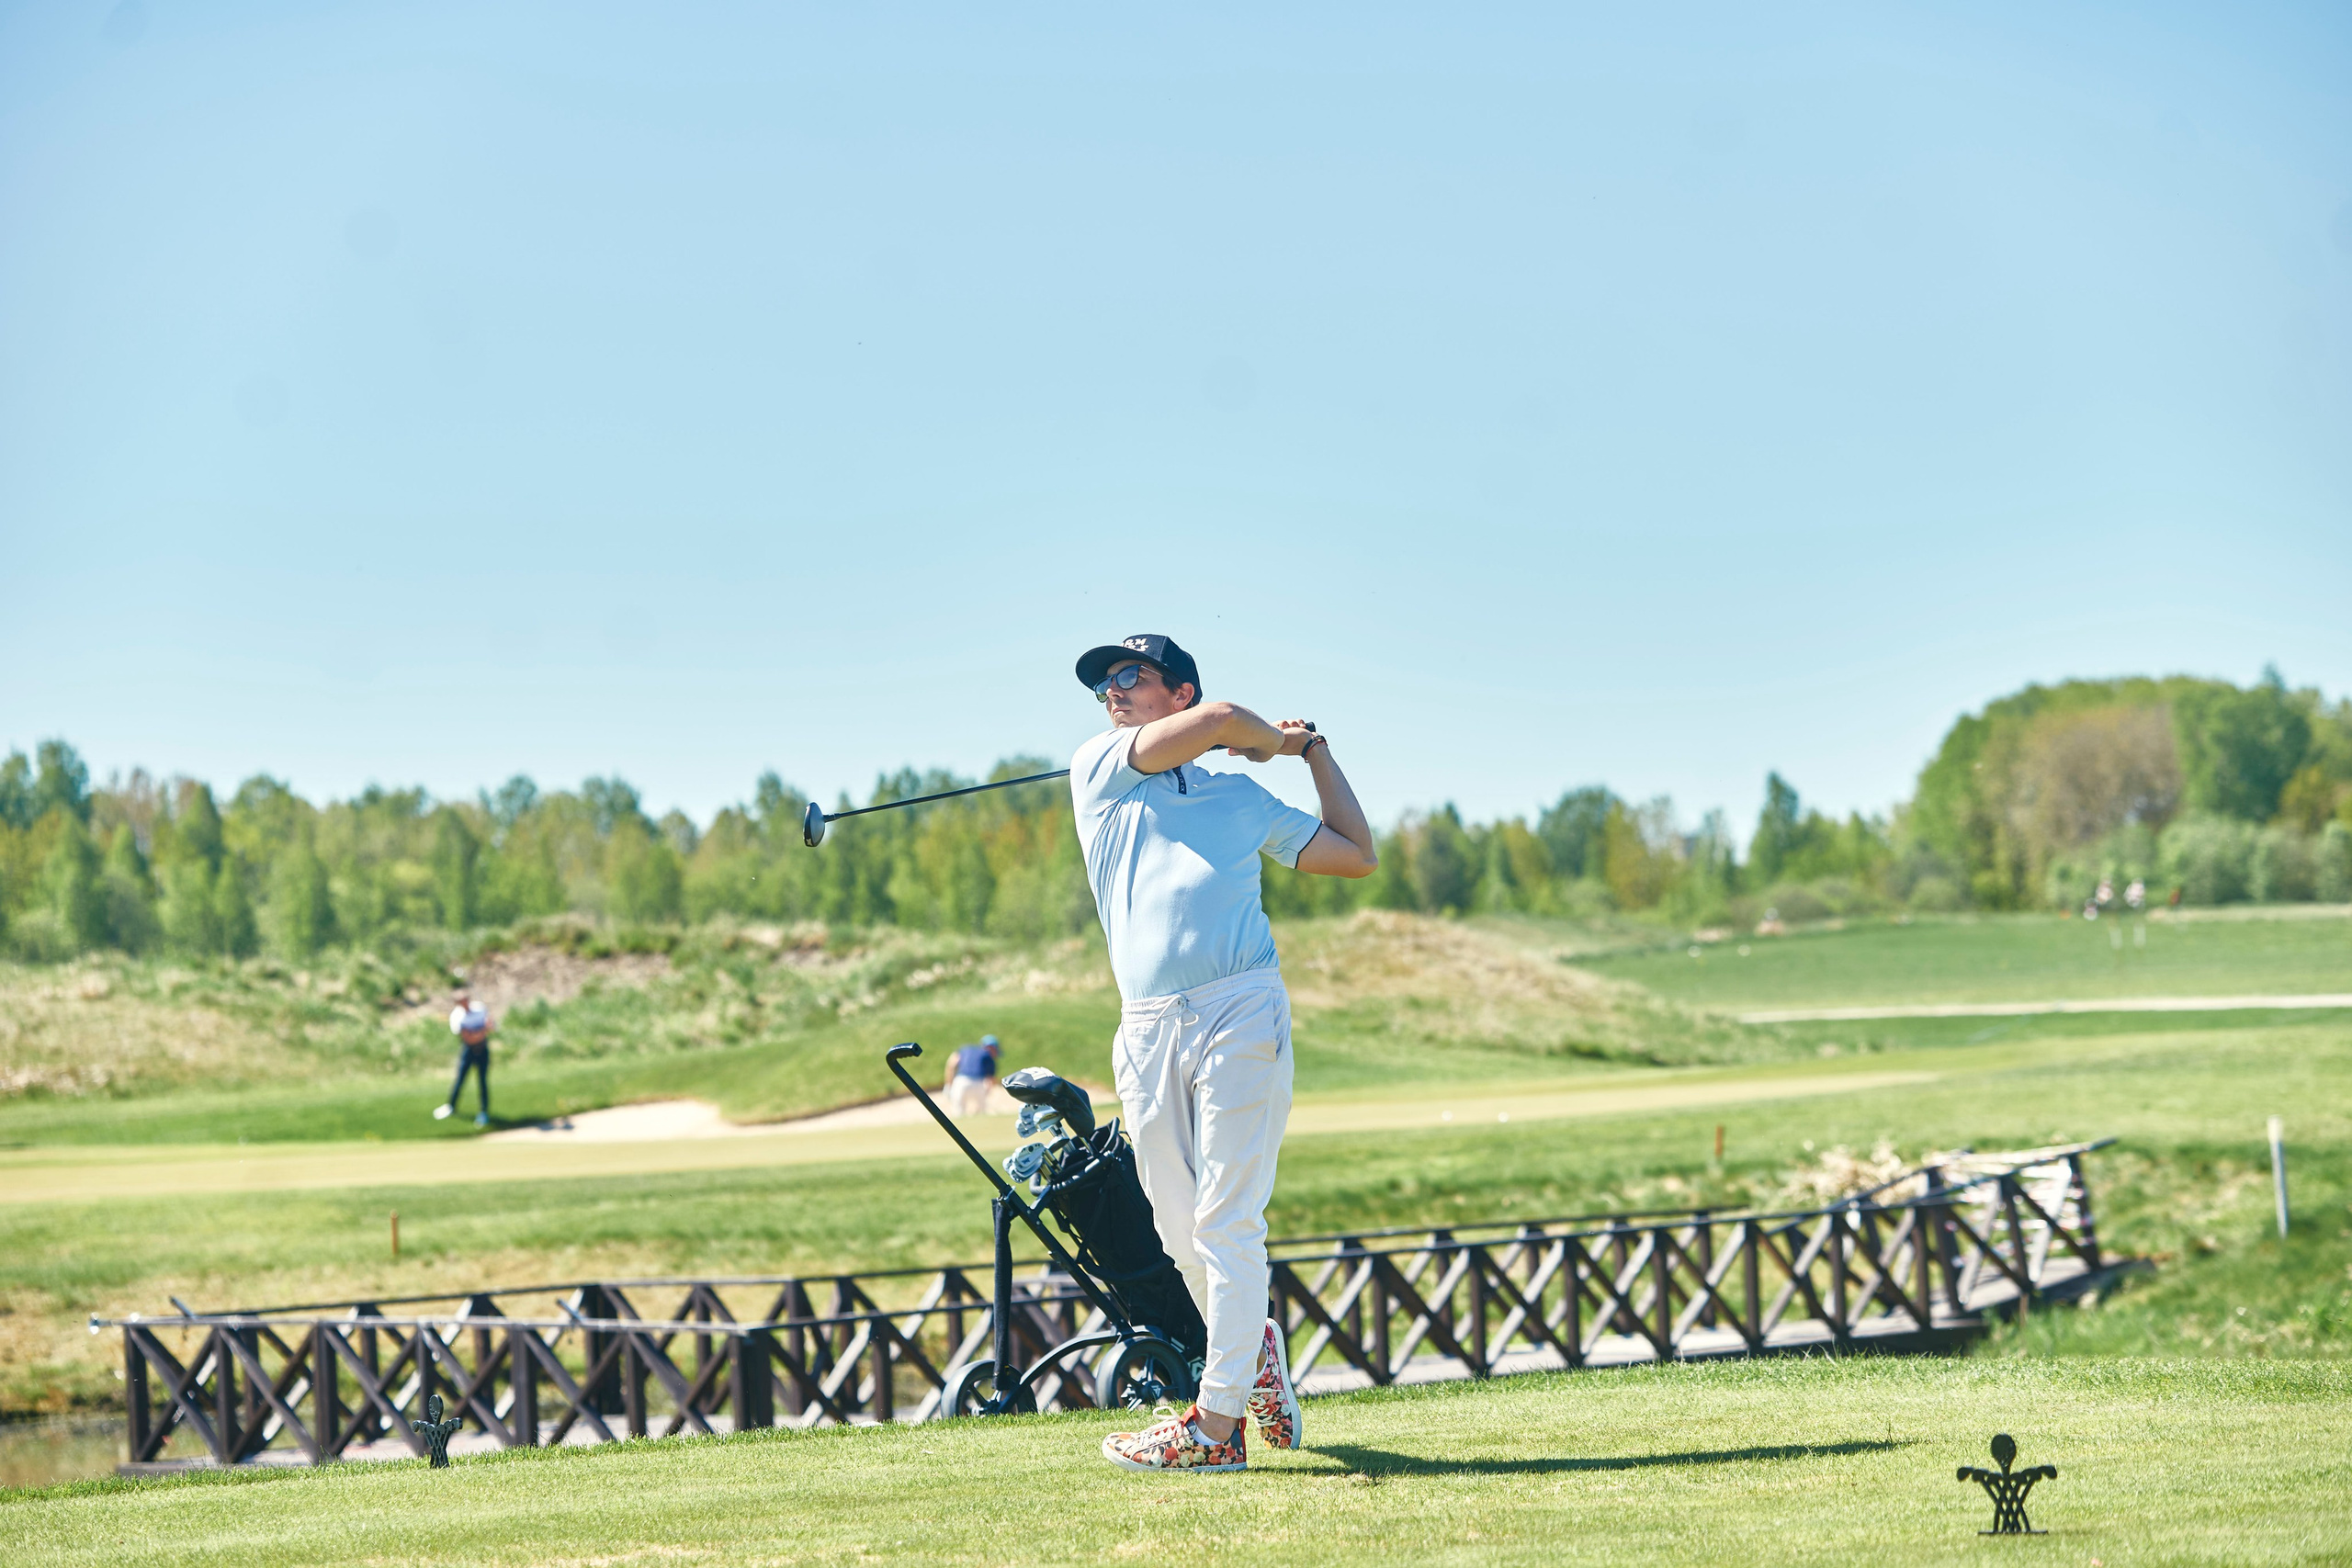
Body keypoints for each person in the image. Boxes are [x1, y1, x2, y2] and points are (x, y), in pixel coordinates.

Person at [1068, 634, 1378, 1474]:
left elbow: (1355, 855)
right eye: (1104, 682)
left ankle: (1216, 1428)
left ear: (1178, 688)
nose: (1113, 691)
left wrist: (1311, 752)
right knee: (1178, 1230)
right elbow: (1226, 718)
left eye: (1131, 676)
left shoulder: (1240, 799)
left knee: (1225, 1222)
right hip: (1146, 1024)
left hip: (1242, 1005)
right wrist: (1263, 736)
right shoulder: (1099, 769)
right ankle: (1254, 1351)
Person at [435, 987, 493, 1127]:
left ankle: (484, 1112)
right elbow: (467, 1038)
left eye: (465, 999)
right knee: (460, 1080)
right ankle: (451, 1106)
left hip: (483, 1049)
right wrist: (481, 1032)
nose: (465, 1002)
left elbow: (490, 1026)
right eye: (461, 1001)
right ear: (457, 1003)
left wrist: (479, 1033)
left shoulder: (479, 1008)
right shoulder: (456, 1016)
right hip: (468, 1051)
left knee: (482, 1081)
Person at [944, 1033, 1001, 1117]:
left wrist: (948, 1085)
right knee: (982, 1113)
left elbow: (951, 1065)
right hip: (978, 1083)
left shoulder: (965, 1049)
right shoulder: (988, 1055)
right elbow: (991, 1079)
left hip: (960, 1082)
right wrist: (986, 1093)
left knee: (958, 1113)